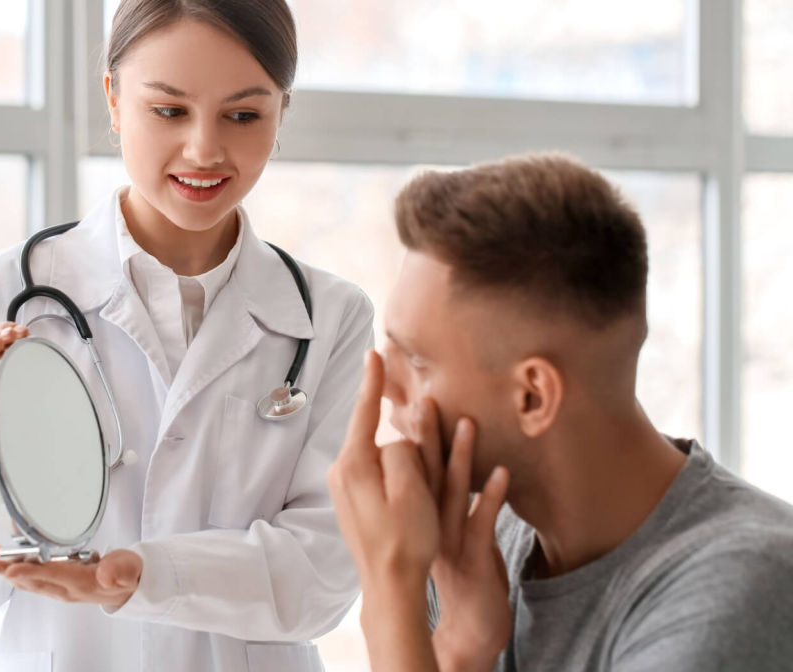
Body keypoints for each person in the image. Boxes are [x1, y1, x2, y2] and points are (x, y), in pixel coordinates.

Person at [0, 1, 373, 670]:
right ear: (113, 99)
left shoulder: (331, 319)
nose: (204, 148)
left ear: (282, 112)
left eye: (244, 114)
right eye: (169, 111)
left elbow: (323, 578)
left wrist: (146, 576)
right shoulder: (2, 296)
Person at [329, 153, 793, 672]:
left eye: (415, 358)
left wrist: (390, 590)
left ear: (532, 396)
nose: (383, 385)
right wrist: (461, 650)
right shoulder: (481, 545)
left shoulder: (739, 589)